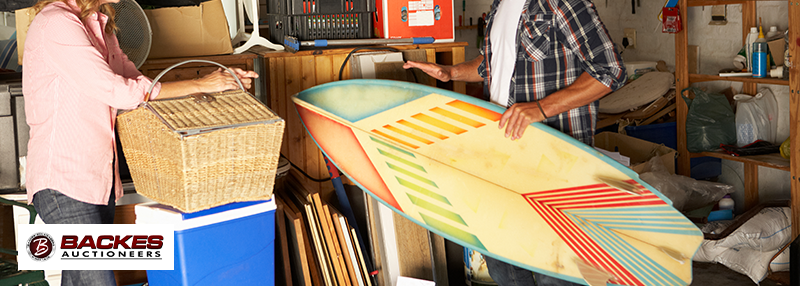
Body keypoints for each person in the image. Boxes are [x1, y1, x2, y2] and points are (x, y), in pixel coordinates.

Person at [21, 0, 259, 285]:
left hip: (97, 181)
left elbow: (134, 79)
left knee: (78, 280)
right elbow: (117, 91)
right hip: (63, 182)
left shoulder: (100, 25)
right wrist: (201, 84)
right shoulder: (56, 23)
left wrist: (222, 81)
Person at [404, 0, 626, 284]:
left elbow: (610, 70)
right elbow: (492, 65)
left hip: (554, 160)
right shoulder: (499, 5)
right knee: (502, 259)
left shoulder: (562, 3)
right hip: (503, 153)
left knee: (555, 269)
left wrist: (541, 108)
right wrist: (452, 73)